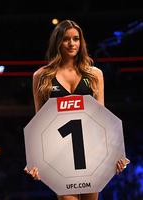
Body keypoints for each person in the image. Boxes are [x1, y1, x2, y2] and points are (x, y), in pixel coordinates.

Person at [24, 19, 130, 200]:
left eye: (76, 39)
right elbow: (38, 123)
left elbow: (102, 118)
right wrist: (34, 162)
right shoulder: (41, 76)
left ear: (81, 42)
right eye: (66, 39)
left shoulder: (94, 74)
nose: (72, 44)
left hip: (92, 151)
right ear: (57, 42)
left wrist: (116, 156)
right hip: (58, 154)